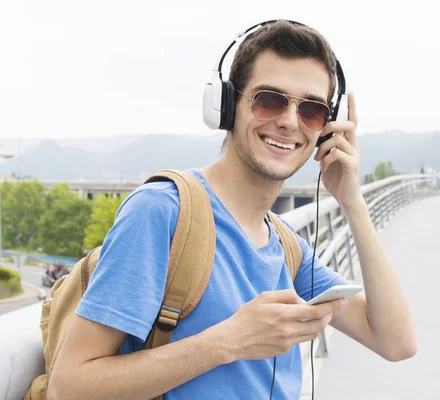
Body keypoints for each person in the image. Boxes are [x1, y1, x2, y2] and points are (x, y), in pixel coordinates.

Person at [47, 20, 416, 400]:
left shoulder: (288, 248)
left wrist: (352, 202)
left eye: (312, 110)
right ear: (226, 106)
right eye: (269, 99)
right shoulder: (163, 212)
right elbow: (70, 386)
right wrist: (228, 342)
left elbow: (396, 341)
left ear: (325, 129)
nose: (290, 121)